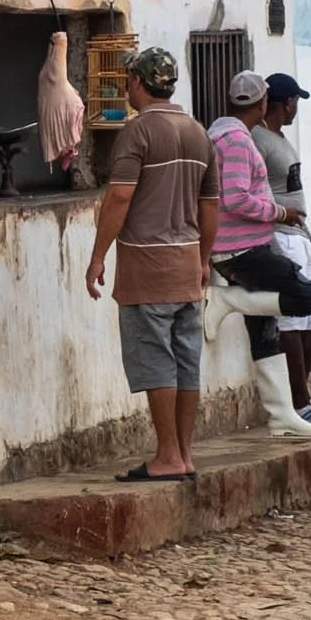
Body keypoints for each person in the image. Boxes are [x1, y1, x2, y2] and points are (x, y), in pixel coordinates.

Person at [86, 46, 220, 481]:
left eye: (129, 81)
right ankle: (183, 453)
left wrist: (98, 255)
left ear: (138, 84)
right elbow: (211, 205)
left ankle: (166, 455)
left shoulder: (137, 132)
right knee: (186, 360)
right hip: (186, 265)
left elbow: (121, 196)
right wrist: (203, 260)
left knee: (156, 358)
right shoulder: (198, 132)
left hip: (147, 266)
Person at [203, 71, 311, 438]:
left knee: (265, 331)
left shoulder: (220, 134)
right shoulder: (237, 140)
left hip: (237, 247)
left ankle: (281, 413)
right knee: (306, 298)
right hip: (241, 249)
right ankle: (228, 300)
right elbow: (237, 197)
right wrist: (280, 212)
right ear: (260, 103)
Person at [252, 72, 311, 426]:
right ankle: (299, 400)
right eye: (294, 102)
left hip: (298, 233)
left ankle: (303, 393)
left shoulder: (281, 139)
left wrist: (310, 235)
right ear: (286, 102)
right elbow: (260, 193)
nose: (295, 109)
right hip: (278, 234)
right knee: (291, 319)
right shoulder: (258, 140)